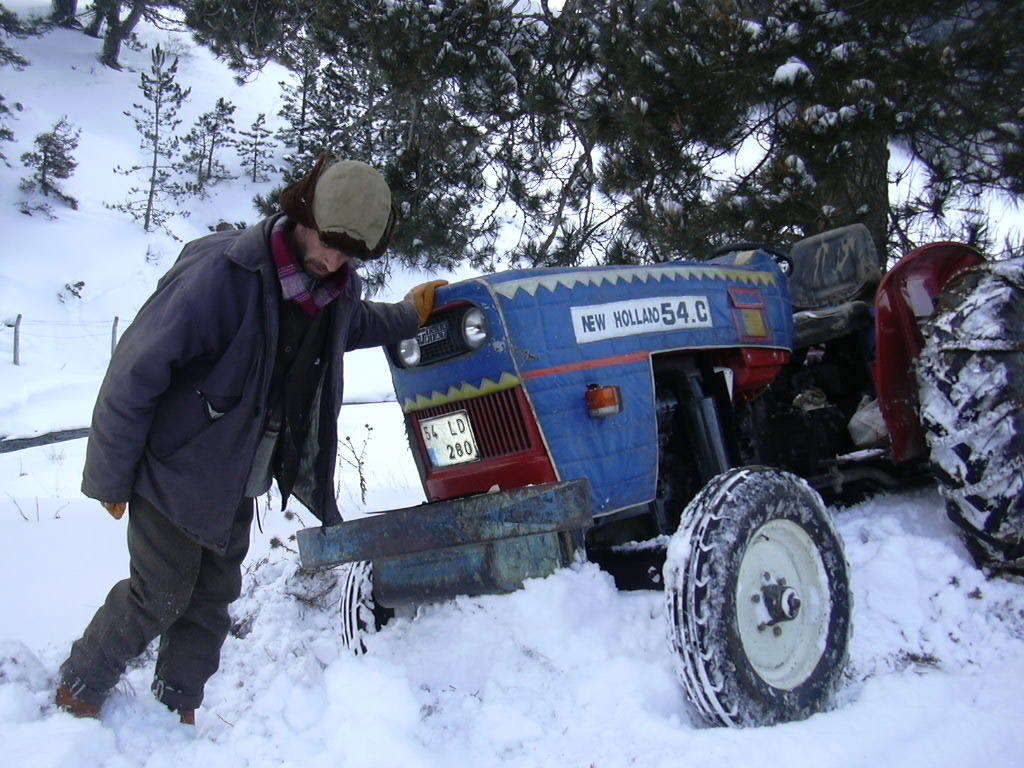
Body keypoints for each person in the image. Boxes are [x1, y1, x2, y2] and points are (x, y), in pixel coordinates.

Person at [55, 153, 447, 724]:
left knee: (211, 600)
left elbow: (354, 325)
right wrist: (111, 477)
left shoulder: (330, 290)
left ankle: (176, 708)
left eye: (351, 252)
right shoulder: (223, 277)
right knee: (159, 592)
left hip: (240, 473)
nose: (335, 259)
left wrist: (410, 315)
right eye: (330, 242)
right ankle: (80, 685)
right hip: (175, 467)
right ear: (302, 211)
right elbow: (134, 372)